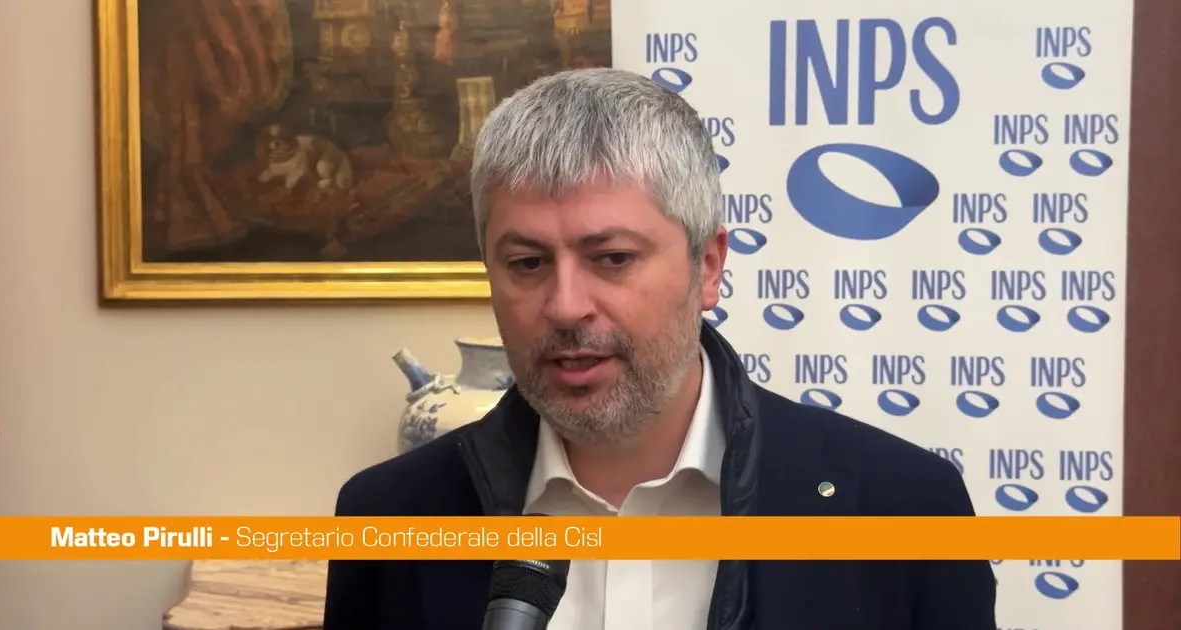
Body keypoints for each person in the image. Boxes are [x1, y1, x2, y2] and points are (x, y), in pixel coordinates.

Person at [323, 67, 997, 630]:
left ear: (708, 267)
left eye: (612, 258)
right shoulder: (390, 517)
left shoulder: (902, 507)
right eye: (527, 263)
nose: (565, 305)